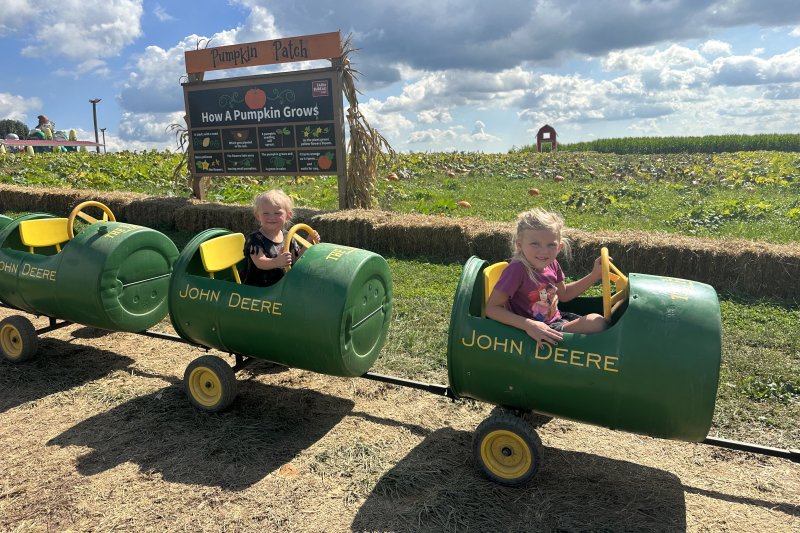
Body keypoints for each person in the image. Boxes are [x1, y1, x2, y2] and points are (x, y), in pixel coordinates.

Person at [485, 208, 607, 348]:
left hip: (556, 320)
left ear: (559, 247)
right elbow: (492, 308)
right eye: (535, 244)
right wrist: (529, 325)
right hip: (535, 331)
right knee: (596, 323)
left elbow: (564, 294)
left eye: (551, 245)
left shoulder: (553, 264)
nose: (543, 251)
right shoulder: (517, 270)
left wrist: (594, 276)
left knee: (603, 323)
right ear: (520, 245)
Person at [241, 189, 320, 287]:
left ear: (288, 215)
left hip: (281, 287)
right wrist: (277, 262)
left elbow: (296, 260)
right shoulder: (254, 239)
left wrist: (308, 242)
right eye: (266, 213)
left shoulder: (288, 236)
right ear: (258, 216)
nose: (271, 217)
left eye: (277, 213)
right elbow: (259, 262)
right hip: (259, 289)